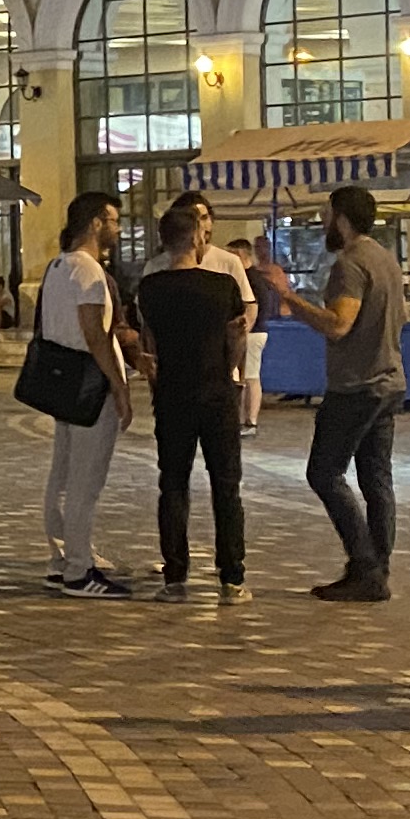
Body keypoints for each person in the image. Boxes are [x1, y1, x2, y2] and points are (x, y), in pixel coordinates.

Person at [253, 183, 405, 602]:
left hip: (356, 386)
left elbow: (339, 324)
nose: (322, 222)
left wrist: (288, 298)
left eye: (325, 213)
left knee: (324, 473)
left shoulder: (351, 264)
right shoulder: (386, 260)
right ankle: (378, 568)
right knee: (376, 479)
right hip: (388, 382)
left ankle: (365, 567)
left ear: (341, 217)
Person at [133, 191, 254, 601]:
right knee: (226, 486)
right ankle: (231, 576)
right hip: (217, 393)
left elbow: (149, 343)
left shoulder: (150, 288)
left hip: (172, 395)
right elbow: (235, 342)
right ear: (196, 241)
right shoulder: (222, 286)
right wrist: (234, 366)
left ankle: (175, 575)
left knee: (173, 484)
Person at [35, 190, 132, 594]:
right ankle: (79, 570)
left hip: (63, 384)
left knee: (62, 476)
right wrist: (120, 387)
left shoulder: (57, 268)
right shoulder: (90, 272)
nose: (117, 229)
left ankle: (62, 558)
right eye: (113, 221)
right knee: (85, 483)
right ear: (95, 223)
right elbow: (96, 336)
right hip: (90, 386)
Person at [222, 235, 270, 431]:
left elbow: (254, 308)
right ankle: (245, 420)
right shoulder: (254, 277)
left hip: (252, 332)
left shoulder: (250, 279)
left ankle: (250, 420)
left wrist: (243, 330)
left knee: (249, 377)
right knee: (247, 376)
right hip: (253, 332)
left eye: (231, 256)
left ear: (241, 255)